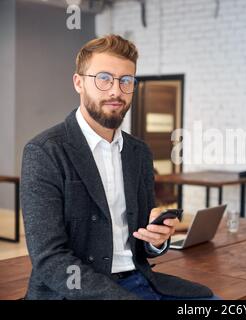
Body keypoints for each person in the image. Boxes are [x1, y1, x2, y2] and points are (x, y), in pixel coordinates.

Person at [20, 35, 213, 300]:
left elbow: (142, 241)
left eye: (126, 81)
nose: (115, 91)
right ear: (79, 83)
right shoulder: (44, 152)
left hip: (139, 279)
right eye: (103, 78)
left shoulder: (139, 152)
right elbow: (50, 259)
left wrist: (157, 240)